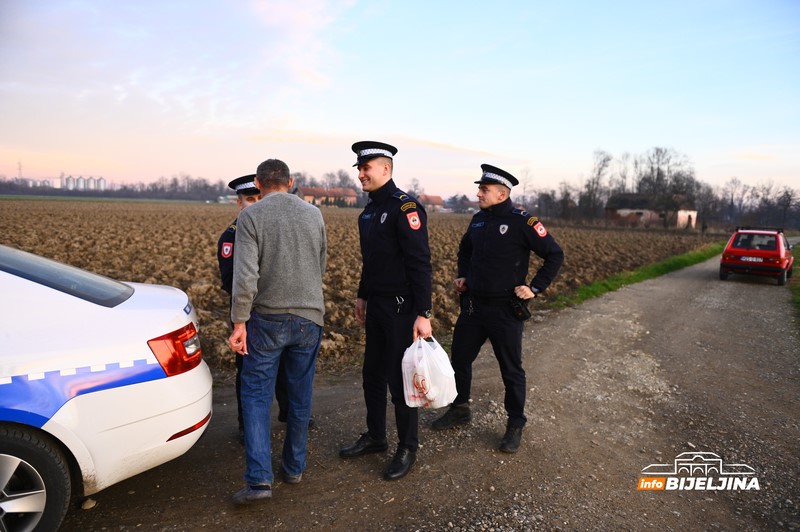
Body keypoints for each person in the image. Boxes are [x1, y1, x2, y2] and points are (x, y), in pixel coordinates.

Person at [431, 164, 564, 454]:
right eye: (480, 188)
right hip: (474, 307)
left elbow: (554, 254)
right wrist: (463, 275)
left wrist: (535, 288)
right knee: (459, 360)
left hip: (505, 310)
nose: (478, 193)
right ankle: (460, 408)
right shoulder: (478, 221)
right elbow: (465, 250)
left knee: (511, 370)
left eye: (484, 189)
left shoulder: (523, 222)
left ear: (502, 193)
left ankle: (515, 423)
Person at [228, 159, 327, 505]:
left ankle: (259, 481)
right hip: (309, 318)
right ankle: (294, 467)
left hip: (267, 319)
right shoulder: (314, 214)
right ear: (292, 181)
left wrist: (239, 322)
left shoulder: (250, 216)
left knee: (256, 397)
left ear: (258, 183)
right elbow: (321, 263)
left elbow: (245, 278)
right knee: (300, 396)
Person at [339, 141, 433, 481]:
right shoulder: (368, 211)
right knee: (372, 375)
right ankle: (376, 436)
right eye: (359, 168)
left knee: (399, 379)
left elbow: (420, 261)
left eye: (367, 168)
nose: (361, 173)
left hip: (401, 308)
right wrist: (362, 295)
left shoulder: (404, 207)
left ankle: (408, 447)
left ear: (386, 169)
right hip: (376, 305)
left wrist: (424, 311)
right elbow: (372, 262)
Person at [217, 175, 313, 443]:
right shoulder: (231, 237)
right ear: (239, 203)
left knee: (285, 366)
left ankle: (288, 411)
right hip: (248, 315)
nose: (255, 204)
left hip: (278, 311)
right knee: (247, 372)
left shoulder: (273, 228)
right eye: (249, 200)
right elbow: (231, 282)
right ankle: (245, 425)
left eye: (258, 198)